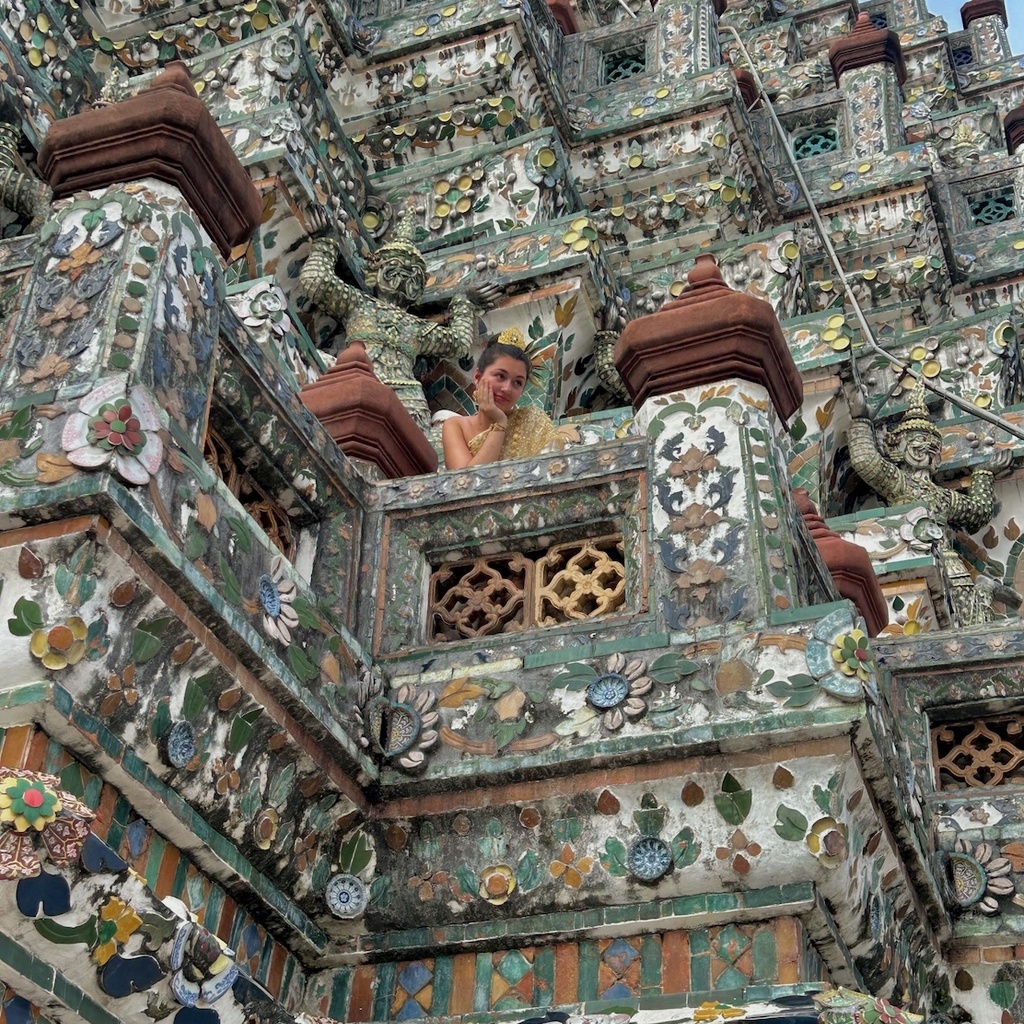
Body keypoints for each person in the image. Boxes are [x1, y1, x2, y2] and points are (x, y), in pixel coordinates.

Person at [300, 204, 496, 427]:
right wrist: (325, 241)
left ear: (419, 291)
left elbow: (459, 344)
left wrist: (463, 301)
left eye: (412, 274)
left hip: (406, 398)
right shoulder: (359, 304)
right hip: (355, 374)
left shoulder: (419, 328)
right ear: (375, 273)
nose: (403, 276)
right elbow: (316, 281)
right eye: (394, 267)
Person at [442, 327, 571, 469]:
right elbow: (465, 483)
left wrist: (499, 421)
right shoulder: (456, 426)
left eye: (518, 382)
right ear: (478, 377)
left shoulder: (533, 421)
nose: (507, 388)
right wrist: (500, 424)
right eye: (500, 376)